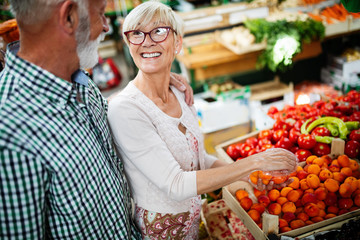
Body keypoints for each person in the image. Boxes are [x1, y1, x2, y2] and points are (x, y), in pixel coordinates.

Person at [0, 0, 193, 239]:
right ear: (69, 17)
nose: (105, 27)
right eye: (100, 14)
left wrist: (159, 77)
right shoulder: (9, 128)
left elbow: (117, 113)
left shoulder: (81, 83)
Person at [107, 1, 298, 239]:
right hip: (160, 233)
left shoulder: (179, 92)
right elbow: (175, 184)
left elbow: (199, 159)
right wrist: (252, 163)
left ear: (177, 42)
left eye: (159, 31)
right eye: (136, 33)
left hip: (192, 223)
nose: (147, 41)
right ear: (128, 43)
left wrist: (244, 175)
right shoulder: (126, 109)